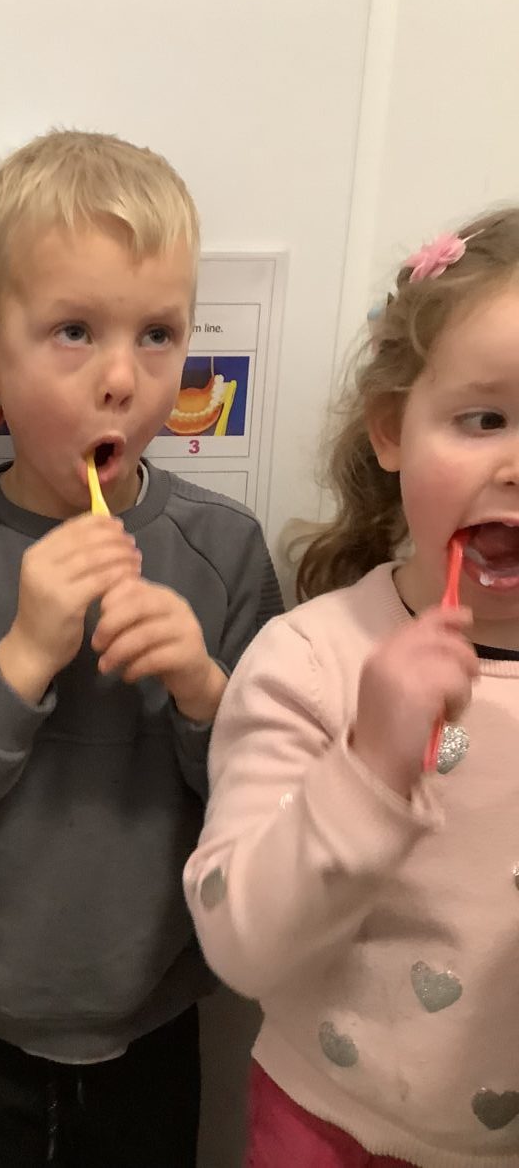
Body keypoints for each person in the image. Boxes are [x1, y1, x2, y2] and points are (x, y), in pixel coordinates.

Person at [0, 129, 282, 1167]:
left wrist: (205, 690)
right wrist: (20, 659)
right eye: (75, 332)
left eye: (158, 334)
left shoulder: (223, 551)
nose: (122, 379)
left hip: (156, 1011)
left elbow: (275, 794)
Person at [185, 212, 519, 1168]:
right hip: (323, 1129)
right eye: (483, 419)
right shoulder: (310, 662)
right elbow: (237, 942)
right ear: (389, 429)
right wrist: (369, 767)